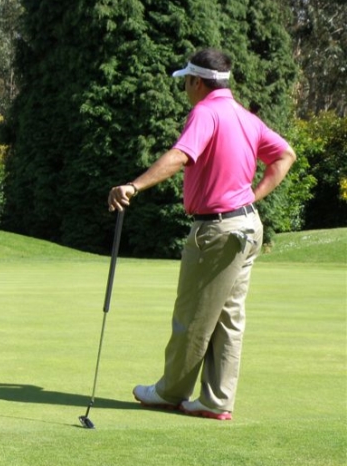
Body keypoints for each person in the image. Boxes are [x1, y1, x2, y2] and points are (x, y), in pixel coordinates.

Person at [108, 48, 296, 420]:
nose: (185, 91)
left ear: (196, 81)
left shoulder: (205, 112)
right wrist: (251, 198)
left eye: (186, 84)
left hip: (218, 230)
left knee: (192, 315)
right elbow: (285, 155)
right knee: (229, 317)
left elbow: (181, 155)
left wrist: (134, 186)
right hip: (247, 226)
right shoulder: (245, 117)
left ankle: (169, 392)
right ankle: (216, 399)